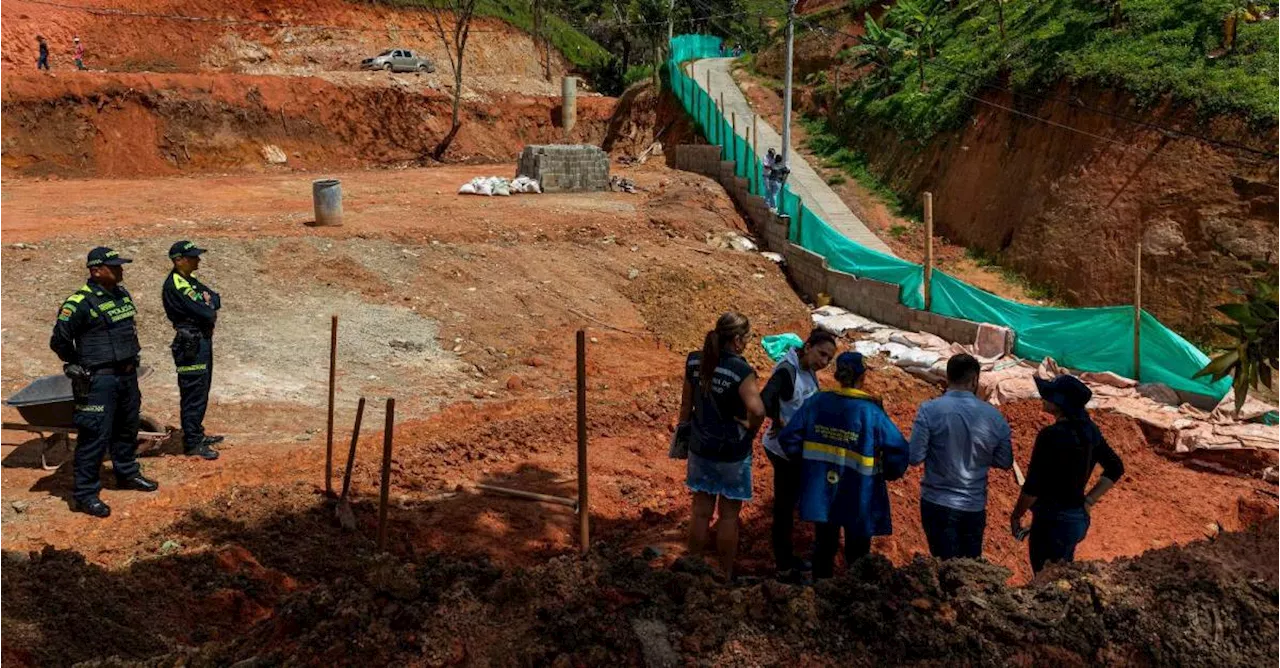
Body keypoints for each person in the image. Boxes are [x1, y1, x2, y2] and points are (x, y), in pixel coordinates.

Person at [50, 247, 159, 517]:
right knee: (94, 436)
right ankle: (85, 494)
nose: (121, 270)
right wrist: (77, 363)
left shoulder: (122, 295)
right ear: (96, 270)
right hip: (99, 379)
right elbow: (60, 340)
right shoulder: (78, 303)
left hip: (126, 375)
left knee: (127, 427)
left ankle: (127, 474)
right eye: (115, 266)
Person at [779, 352, 909, 579]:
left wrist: (806, 465)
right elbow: (898, 449)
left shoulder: (817, 402)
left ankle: (819, 596)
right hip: (859, 492)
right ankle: (855, 599)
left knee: (824, 545)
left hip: (822, 492)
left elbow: (788, 437)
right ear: (863, 377)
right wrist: (888, 472)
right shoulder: (871, 412)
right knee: (858, 553)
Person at [677, 311, 765, 579]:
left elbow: (685, 406)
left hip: (700, 448)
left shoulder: (695, 361)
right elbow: (758, 410)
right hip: (731, 453)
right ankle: (725, 574)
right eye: (747, 339)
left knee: (700, 511)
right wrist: (751, 427)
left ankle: (692, 568)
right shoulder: (740, 371)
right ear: (737, 340)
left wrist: (685, 439)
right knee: (728, 516)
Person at [1011, 374, 1125, 573]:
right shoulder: (1090, 431)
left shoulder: (1050, 436)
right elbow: (1115, 467)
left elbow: (1033, 486)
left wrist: (1016, 516)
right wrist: (1088, 501)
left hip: (1050, 522)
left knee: (1044, 578)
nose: (1044, 398)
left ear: (1061, 404)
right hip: (1076, 519)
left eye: (1050, 395)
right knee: (1061, 572)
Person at [909, 353, 1013, 560]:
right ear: (975, 380)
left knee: (943, 565)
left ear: (948, 377)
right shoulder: (994, 417)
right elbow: (1005, 461)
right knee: (968, 570)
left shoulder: (929, 410)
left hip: (937, 503)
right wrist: (979, 453)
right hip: (973, 507)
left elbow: (914, 456)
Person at [761, 329, 837, 578]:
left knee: (790, 505)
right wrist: (778, 420)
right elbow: (765, 398)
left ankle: (788, 557)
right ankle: (783, 565)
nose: (824, 362)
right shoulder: (788, 370)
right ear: (808, 346)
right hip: (783, 450)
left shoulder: (808, 371)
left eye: (829, 359)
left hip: (797, 448)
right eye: (821, 354)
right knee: (784, 508)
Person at [162, 240, 222, 460]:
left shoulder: (190, 280)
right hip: (191, 344)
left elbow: (215, 298)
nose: (198, 260)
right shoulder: (176, 285)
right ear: (179, 260)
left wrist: (208, 303)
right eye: (193, 257)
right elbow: (207, 313)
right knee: (193, 393)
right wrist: (207, 306)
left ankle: (197, 433)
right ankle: (193, 443)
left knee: (202, 389)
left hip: (201, 341)